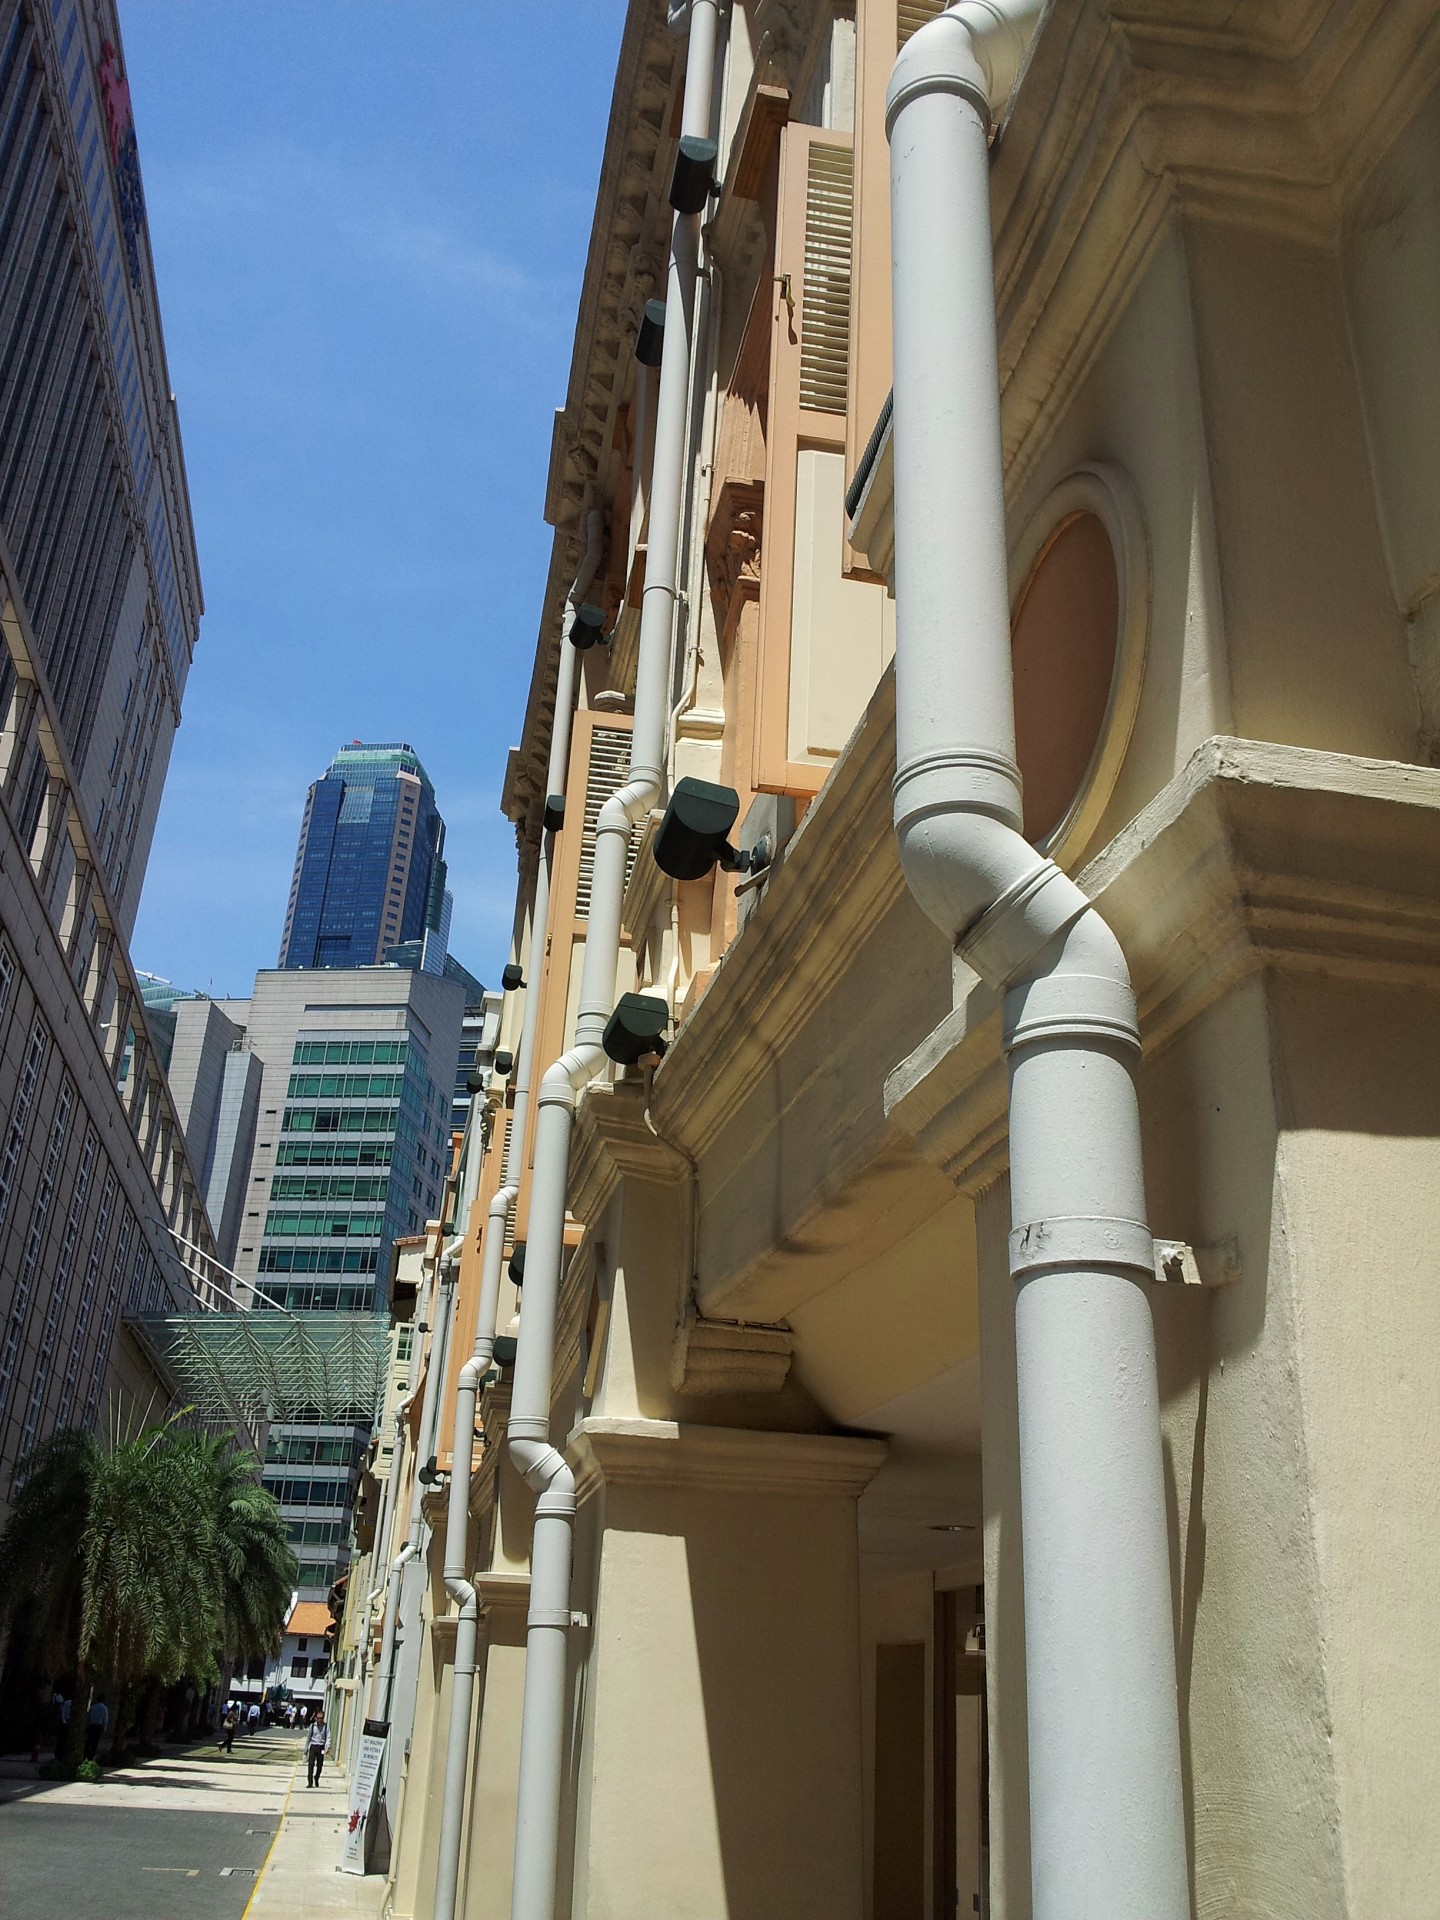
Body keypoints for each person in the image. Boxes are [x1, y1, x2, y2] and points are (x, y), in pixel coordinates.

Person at [305, 1708, 329, 1788]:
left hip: (321, 1747)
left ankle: (316, 1777)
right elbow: (308, 1738)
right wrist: (306, 1749)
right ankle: (310, 1782)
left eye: (321, 1718)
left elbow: (328, 1737)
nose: (320, 1720)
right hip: (313, 1746)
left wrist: (327, 1747)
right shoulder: (312, 1726)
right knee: (311, 1764)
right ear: (316, 1718)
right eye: (318, 1718)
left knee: (320, 1765)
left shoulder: (326, 1726)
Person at [84, 1693, 108, 1760]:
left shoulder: (92, 1707)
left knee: (88, 1741)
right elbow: (105, 1719)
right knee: (95, 1742)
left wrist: (87, 1725)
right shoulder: (104, 1708)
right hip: (98, 1726)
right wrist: (104, 1727)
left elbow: (88, 1717)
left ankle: (85, 1755)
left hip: (91, 1725)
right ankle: (91, 1757)